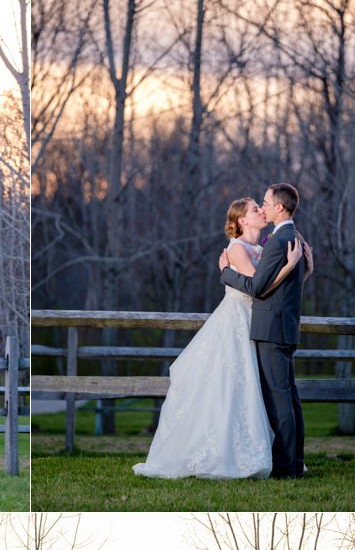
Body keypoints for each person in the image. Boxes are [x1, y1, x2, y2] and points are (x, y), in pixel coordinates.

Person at [133, 197, 308, 479]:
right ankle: (225, 453)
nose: (261, 211)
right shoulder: (237, 248)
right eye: (255, 209)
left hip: (259, 323)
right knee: (231, 387)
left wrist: (298, 269)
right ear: (242, 220)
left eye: (262, 206)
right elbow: (257, 289)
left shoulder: (263, 247)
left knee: (257, 392)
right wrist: (289, 267)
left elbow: (269, 289)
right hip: (237, 322)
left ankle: (270, 455)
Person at [220, 183, 311, 478]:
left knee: (279, 400)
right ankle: (293, 463)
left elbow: (257, 288)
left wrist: (225, 274)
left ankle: (286, 469)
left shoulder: (277, 241)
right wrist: (303, 269)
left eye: (266, 203)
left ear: (280, 208)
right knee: (290, 399)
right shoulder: (293, 237)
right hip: (284, 327)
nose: (264, 207)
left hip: (271, 329)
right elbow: (286, 284)